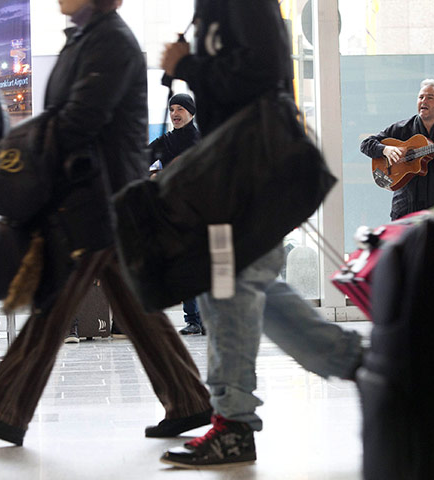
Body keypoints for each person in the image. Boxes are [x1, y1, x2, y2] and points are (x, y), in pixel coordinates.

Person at [0, 0, 212, 446]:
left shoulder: (109, 39)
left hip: (99, 194)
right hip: (93, 191)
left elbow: (80, 118)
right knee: (129, 304)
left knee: (56, 301)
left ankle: (3, 408)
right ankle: (187, 399)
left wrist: (28, 156)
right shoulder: (87, 36)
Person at [158, 0, 363, 468]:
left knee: (228, 289)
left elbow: (263, 72)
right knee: (252, 285)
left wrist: (187, 65)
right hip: (235, 169)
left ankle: (234, 424)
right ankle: (362, 365)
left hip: (247, 173)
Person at [360, 79, 434, 220]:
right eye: (421, 97)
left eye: (430, 97)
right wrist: (385, 150)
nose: (424, 101)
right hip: (404, 208)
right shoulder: (402, 129)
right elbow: (366, 144)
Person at [148, 93, 205, 335]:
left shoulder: (202, 140)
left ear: (191, 112)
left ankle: (208, 318)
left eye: (180, 109)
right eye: (172, 109)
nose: (175, 114)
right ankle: (193, 319)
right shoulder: (166, 142)